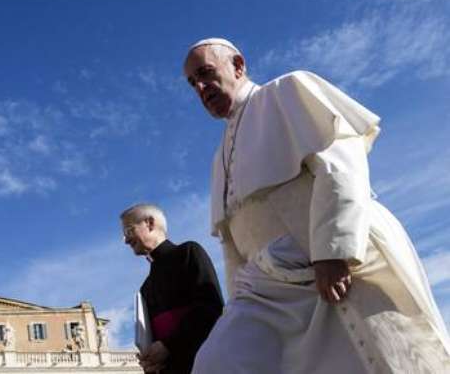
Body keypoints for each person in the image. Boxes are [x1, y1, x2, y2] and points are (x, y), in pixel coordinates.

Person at [182, 38, 450, 373]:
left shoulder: (286, 91)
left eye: (206, 73)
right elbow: (233, 240)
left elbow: (342, 163)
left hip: (326, 259)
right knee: (216, 362)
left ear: (238, 65)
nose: (201, 87)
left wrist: (333, 251)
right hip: (265, 286)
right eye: (193, 83)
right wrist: (238, 298)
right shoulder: (218, 157)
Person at [121, 203, 223, 374]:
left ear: (150, 223)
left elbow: (211, 307)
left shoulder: (188, 252)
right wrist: (150, 362)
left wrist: (169, 345)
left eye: (129, 231)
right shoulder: (145, 288)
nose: (126, 240)